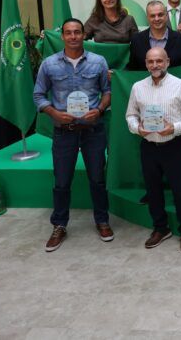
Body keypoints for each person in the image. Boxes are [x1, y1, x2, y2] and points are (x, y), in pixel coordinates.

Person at [33, 18, 113, 252]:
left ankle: (102, 221)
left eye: (77, 32)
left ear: (84, 35)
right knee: (61, 181)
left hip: (93, 130)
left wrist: (99, 110)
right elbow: (38, 95)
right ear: (63, 36)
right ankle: (59, 225)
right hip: (63, 132)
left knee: (98, 178)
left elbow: (107, 92)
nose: (73, 36)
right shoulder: (49, 64)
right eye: (68, 33)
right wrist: (54, 113)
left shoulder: (98, 62)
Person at [126, 47, 181, 253]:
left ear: (167, 62)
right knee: (153, 190)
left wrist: (174, 128)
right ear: (146, 64)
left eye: (159, 61)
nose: (155, 65)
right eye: (151, 62)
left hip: (174, 146)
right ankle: (160, 228)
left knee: (180, 190)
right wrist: (137, 128)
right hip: (148, 146)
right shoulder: (137, 87)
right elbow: (130, 115)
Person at [127, 1, 181, 70]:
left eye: (160, 15)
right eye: (152, 16)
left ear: (166, 16)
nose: (157, 19)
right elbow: (132, 70)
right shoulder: (136, 41)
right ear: (147, 18)